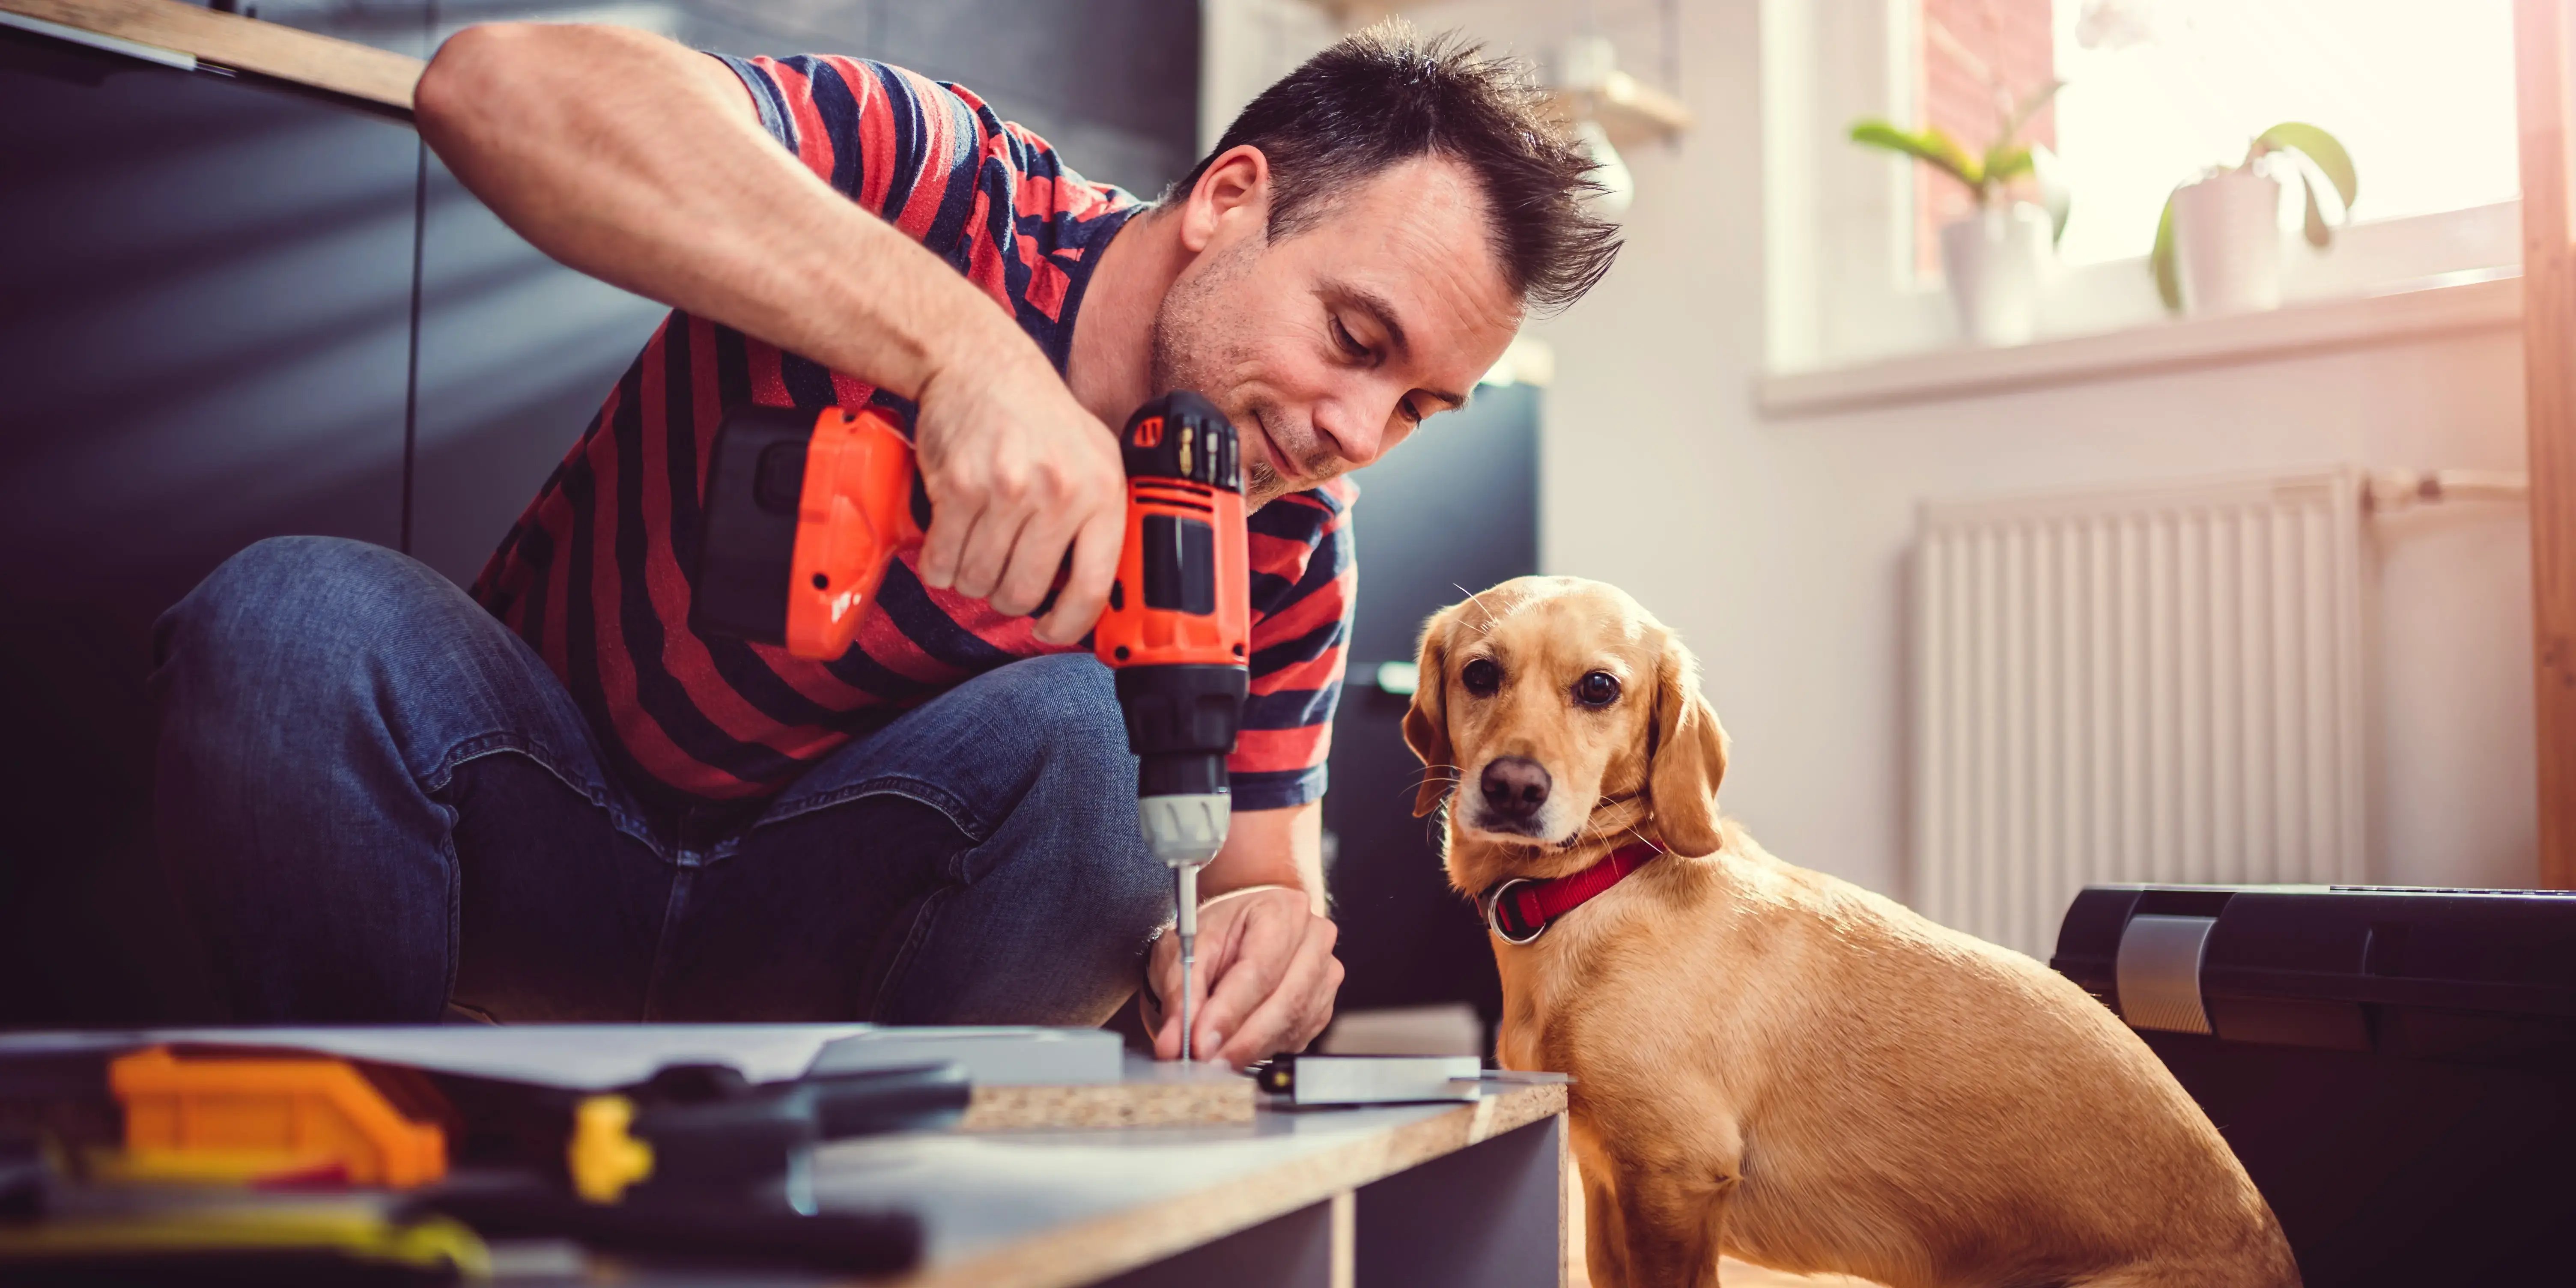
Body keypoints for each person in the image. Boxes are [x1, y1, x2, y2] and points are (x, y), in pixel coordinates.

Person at [149, 19, 1619, 1066]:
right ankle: (360, 1162)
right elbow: (494, 89)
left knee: (1103, 739)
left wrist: (1275, 944)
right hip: (539, 828)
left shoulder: (1289, 530)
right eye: (1354, 340)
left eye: (1419, 403)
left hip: (842, 971)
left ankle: (905, 1209)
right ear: (1230, 200)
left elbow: (1249, 873)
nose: (1358, 432)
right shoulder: (939, 179)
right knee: (296, 619)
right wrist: (959, 352)